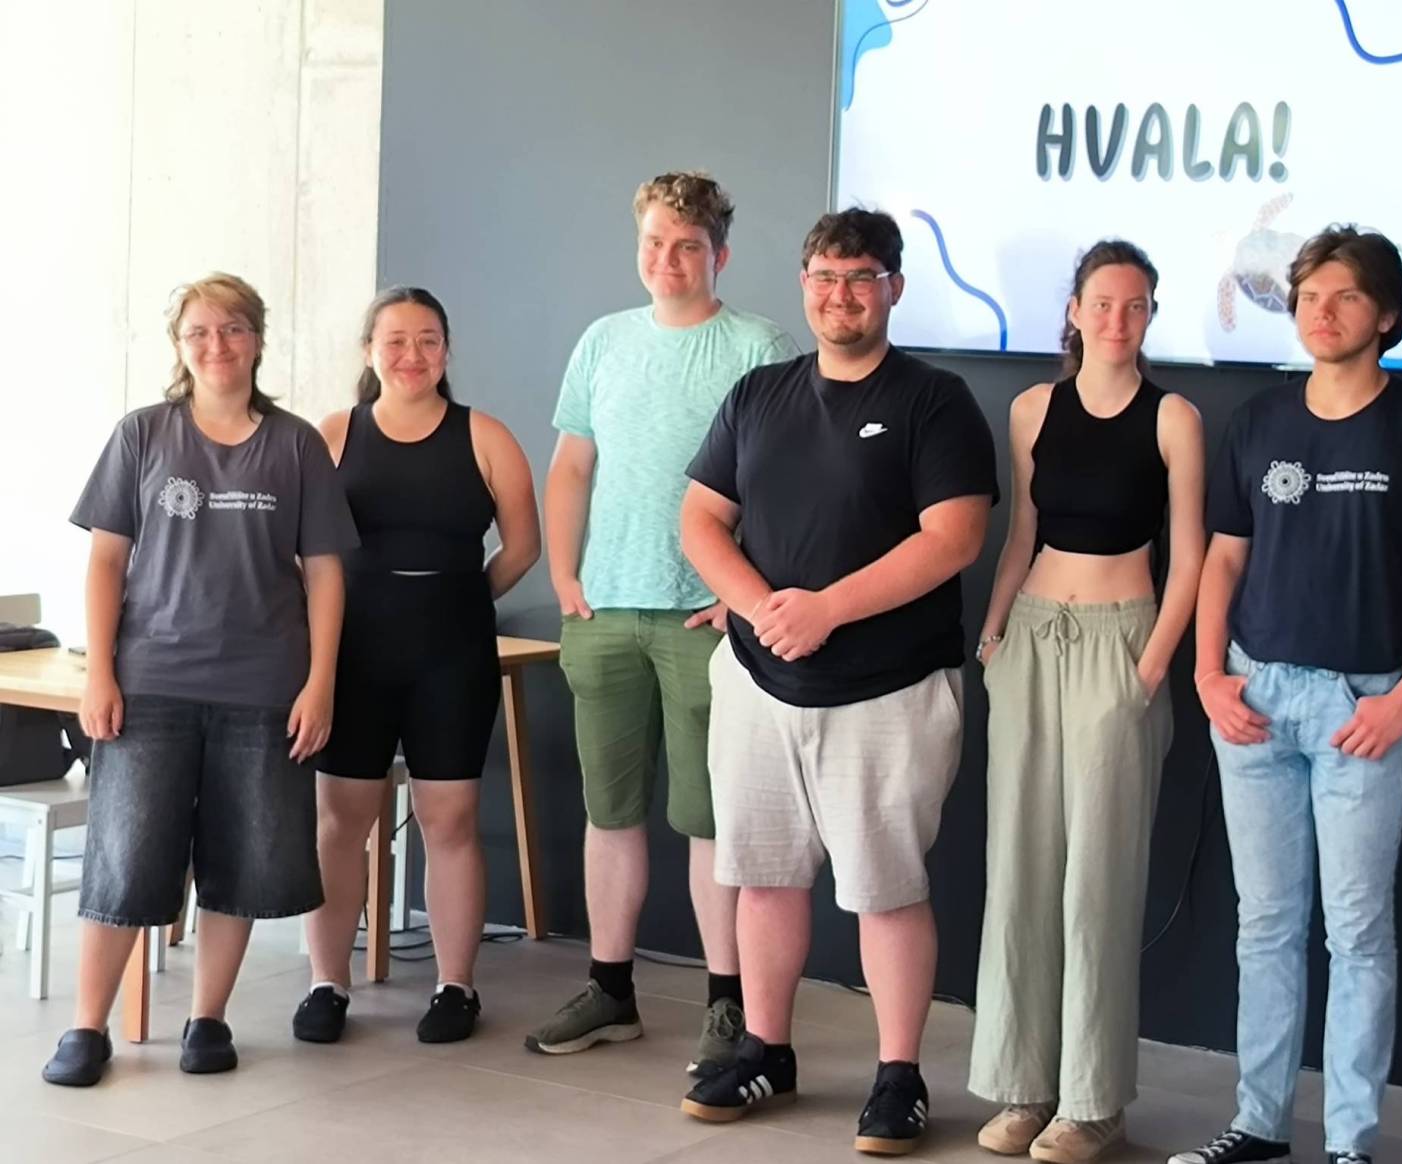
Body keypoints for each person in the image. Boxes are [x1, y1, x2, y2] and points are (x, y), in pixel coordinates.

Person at [1171, 227, 1402, 1164]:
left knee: (1357, 933)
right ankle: (1259, 1125)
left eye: (1346, 295)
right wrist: (1207, 674)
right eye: (1310, 294)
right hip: (1256, 700)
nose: (1323, 311)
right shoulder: (1260, 421)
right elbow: (1223, 559)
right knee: (1266, 927)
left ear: (1387, 314)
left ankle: (1351, 1143)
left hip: (1367, 708)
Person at [676, 208, 997, 1156]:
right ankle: (766, 1050)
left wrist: (826, 609)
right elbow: (700, 518)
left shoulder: (935, 401)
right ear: (803, 284)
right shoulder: (759, 393)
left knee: (885, 889)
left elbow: (955, 538)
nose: (840, 295)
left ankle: (899, 1077)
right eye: (824, 277)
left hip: (888, 688)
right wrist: (761, 607)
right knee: (763, 878)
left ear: (893, 287)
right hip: (758, 681)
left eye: (860, 278)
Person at [43, 273, 359, 1086]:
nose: (216, 345)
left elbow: (325, 573)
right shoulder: (142, 435)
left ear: (257, 339)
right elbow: (105, 563)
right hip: (150, 684)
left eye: (232, 329)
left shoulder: (296, 445)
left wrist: (320, 682)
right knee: (124, 858)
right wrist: (100, 673)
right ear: (179, 347)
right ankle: (86, 1028)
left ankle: (207, 1018)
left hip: (264, 690)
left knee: (242, 861)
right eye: (199, 332)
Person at [526, 172, 798, 1072]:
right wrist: (565, 573)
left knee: (710, 821)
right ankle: (610, 991)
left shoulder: (758, 345)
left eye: (687, 246)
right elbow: (572, 466)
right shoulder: (604, 340)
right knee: (610, 813)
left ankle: (728, 1004)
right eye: (654, 243)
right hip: (604, 611)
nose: (667, 260)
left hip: (703, 623)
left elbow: (782, 482)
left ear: (720, 254)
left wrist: (739, 590)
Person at [967, 240, 1204, 1163]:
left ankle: (1092, 1101)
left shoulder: (1173, 418)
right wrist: (994, 636)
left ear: (1150, 315)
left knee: (1098, 879)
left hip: (1121, 643)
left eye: (1135, 305)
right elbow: (1021, 531)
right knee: (1020, 869)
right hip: (1031, 638)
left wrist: (1149, 670)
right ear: (1073, 310)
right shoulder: (1032, 408)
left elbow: (1189, 558)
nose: (1117, 319)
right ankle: (1025, 1086)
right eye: (1102, 303)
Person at [293, 287, 540, 1045]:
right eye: (395, 340)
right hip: (354, 654)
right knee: (341, 820)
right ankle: (327, 983)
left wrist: (460, 598)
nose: (412, 355)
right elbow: (305, 553)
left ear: (447, 351)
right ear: (369, 351)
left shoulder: (485, 435)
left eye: (428, 340)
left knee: (450, 819)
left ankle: (455, 985)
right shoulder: (332, 435)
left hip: (451, 655)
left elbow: (523, 547)